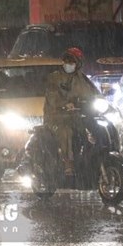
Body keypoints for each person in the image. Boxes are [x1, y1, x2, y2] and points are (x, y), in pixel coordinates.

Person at [43, 47, 96, 177]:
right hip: (57, 118)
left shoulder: (82, 78)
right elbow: (52, 96)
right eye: (67, 60)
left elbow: (92, 93)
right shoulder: (54, 78)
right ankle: (68, 162)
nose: (69, 64)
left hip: (77, 117)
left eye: (72, 61)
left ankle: (92, 159)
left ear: (78, 63)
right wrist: (64, 104)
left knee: (94, 129)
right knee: (65, 132)